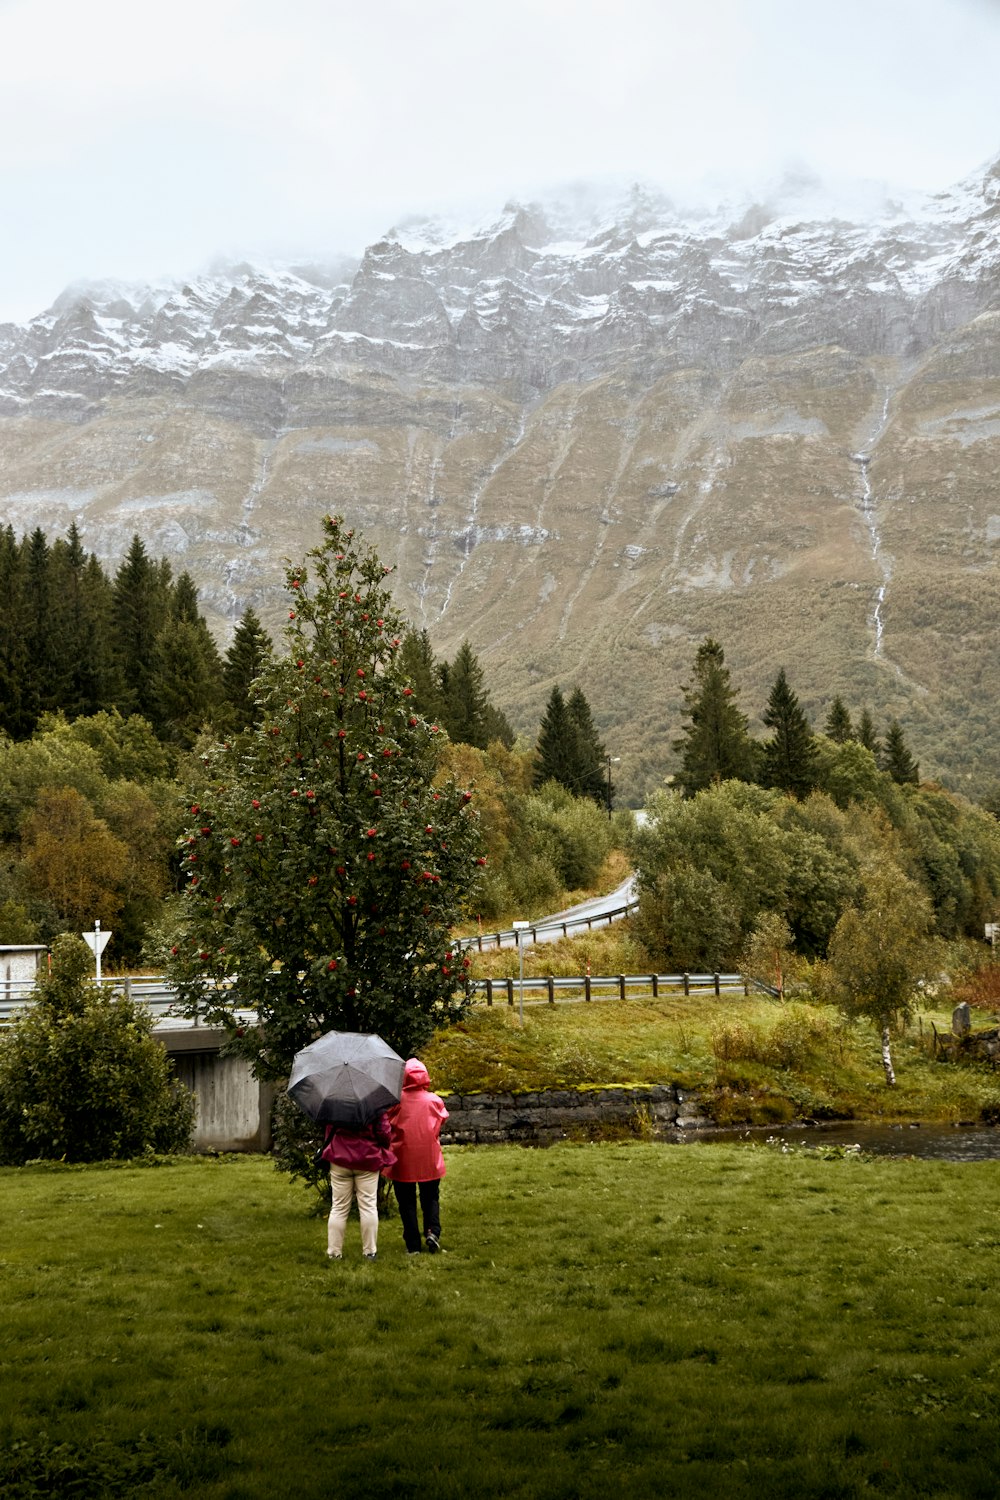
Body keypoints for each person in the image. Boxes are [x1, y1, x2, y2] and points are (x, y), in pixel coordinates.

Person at [385, 1057, 449, 1254]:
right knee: (431, 1197)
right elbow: (442, 1120)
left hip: (402, 1158)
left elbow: (386, 1123)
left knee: (406, 1202)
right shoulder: (434, 1101)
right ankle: (432, 1232)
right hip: (429, 1157)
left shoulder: (395, 1101)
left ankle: (413, 1245)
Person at [321, 1110, 395, 1261]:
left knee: (338, 1207)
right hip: (367, 1158)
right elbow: (384, 1132)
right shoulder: (374, 1103)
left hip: (340, 1158)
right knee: (368, 1205)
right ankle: (370, 1252)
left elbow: (328, 1131)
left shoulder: (335, 1102)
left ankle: (334, 1252)